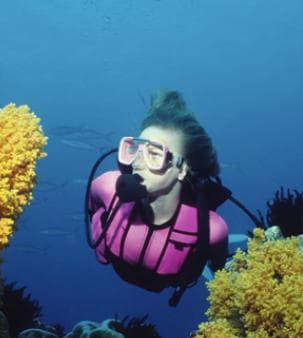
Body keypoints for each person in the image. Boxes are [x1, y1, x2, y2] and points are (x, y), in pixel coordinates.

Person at [85, 90, 233, 306]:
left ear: (182, 169)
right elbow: (92, 203)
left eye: (154, 154)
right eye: (135, 149)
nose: (138, 162)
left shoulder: (211, 229)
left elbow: (220, 272)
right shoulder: (107, 187)